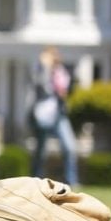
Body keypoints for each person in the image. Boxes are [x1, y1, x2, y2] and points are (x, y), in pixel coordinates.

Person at [30, 46, 78, 185]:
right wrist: (45, 68)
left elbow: (67, 90)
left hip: (59, 114)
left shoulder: (62, 72)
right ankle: (36, 180)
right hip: (42, 115)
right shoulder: (39, 71)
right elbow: (41, 87)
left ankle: (71, 180)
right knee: (41, 150)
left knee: (69, 147)